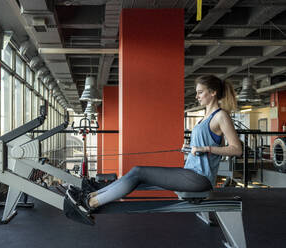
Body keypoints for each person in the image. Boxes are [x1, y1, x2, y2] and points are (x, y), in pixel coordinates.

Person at [64, 75, 242, 225]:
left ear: (213, 92)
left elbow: (236, 149)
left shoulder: (221, 116)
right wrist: (190, 149)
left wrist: (206, 148)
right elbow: (203, 147)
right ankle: (91, 194)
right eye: (196, 92)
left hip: (200, 179)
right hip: (190, 172)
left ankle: (90, 203)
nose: (197, 96)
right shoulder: (205, 117)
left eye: (200, 92)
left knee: (139, 172)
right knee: (136, 174)